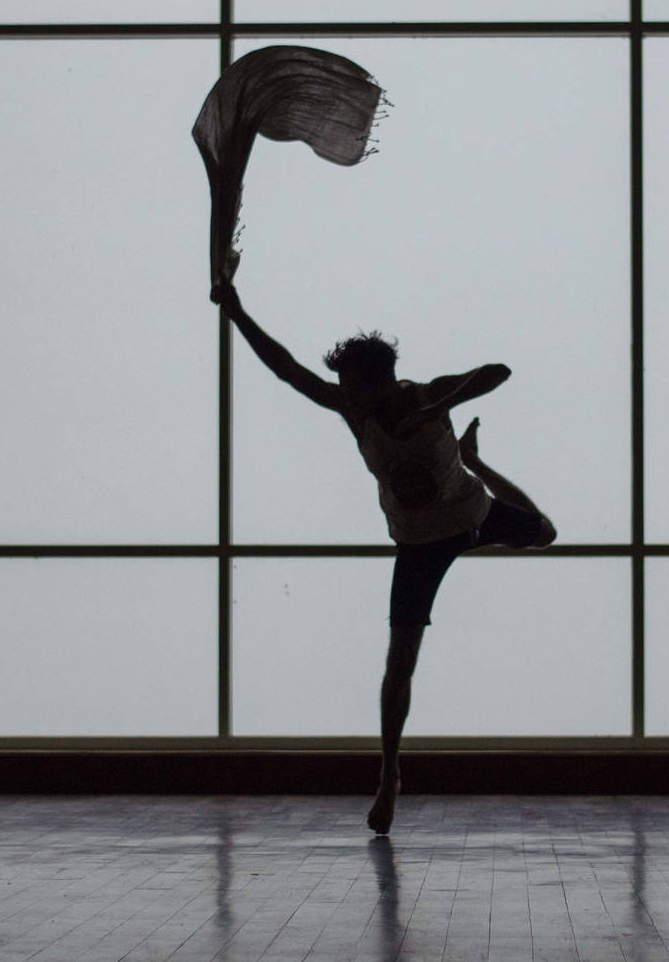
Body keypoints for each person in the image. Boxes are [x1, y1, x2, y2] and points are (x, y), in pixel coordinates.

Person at [211, 283, 556, 835]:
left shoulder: (423, 395)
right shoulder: (353, 412)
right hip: (419, 543)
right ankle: (389, 775)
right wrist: (237, 310)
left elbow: (499, 370)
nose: (347, 394)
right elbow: (286, 369)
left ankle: (475, 462)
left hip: (473, 514)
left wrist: (440, 412)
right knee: (401, 657)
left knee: (547, 533)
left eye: (354, 385)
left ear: (379, 380)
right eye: (344, 386)